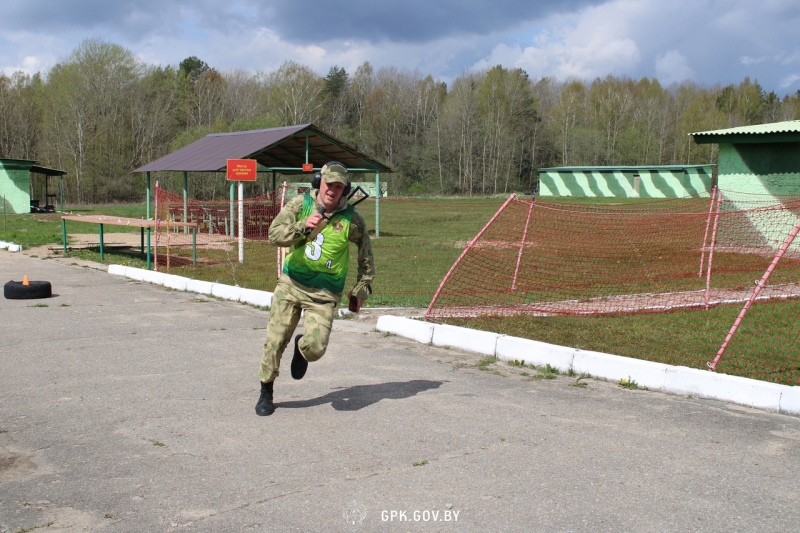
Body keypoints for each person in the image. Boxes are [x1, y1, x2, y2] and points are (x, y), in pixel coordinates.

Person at [256, 161, 375, 416]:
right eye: (329, 184)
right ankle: (266, 391)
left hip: (324, 293)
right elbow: (274, 235)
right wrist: (302, 225)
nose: (332, 190)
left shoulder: (352, 219)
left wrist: (362, 287)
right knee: (275, 341)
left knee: (316, 349)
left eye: (339, 186)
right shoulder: (301, 205)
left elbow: (366, 254)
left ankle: (302, 347)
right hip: (291, 285)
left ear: (345, 189)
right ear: (319, 182)